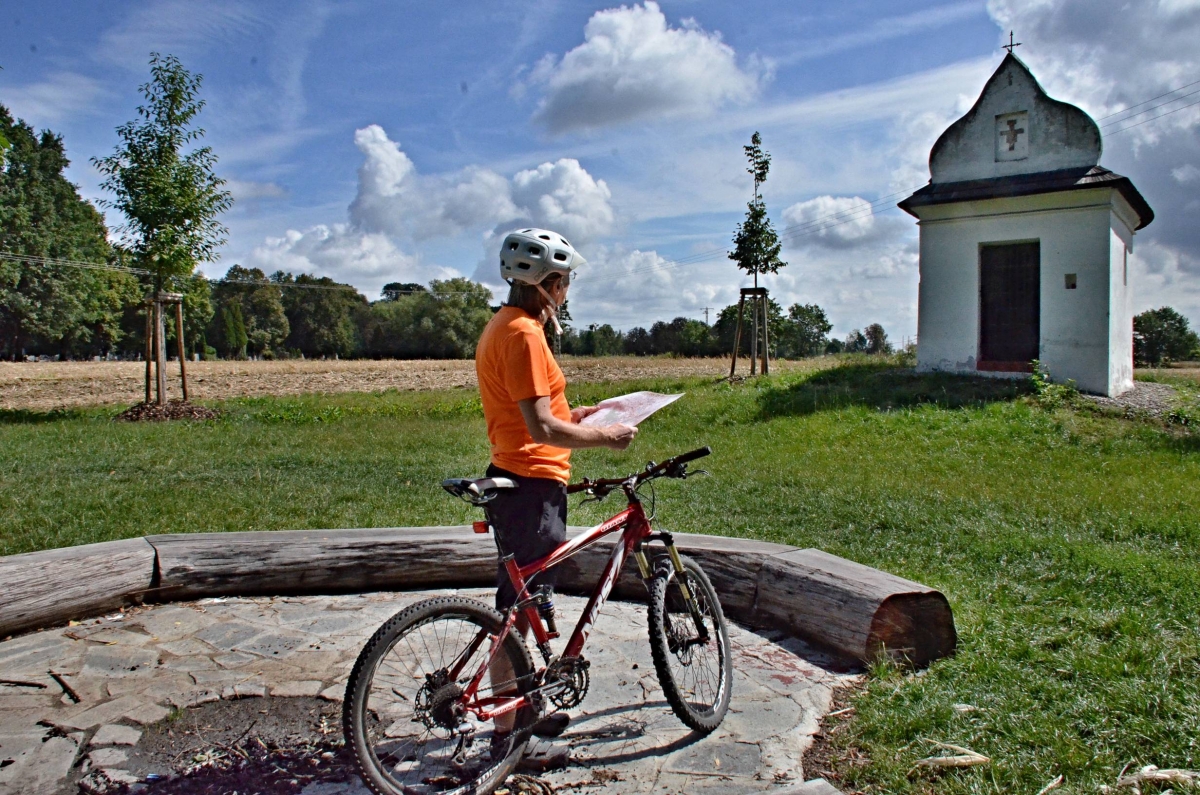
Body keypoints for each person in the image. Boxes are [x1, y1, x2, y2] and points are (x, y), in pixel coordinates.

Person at [475, 228, 637, 767]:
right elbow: (541, 428)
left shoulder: (507, 325)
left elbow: (535, 409)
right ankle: (506, 740)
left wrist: (580, 415)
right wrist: (607, 437)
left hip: (519, 474)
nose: (567, 290)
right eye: (564, 281)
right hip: (531, 484)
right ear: (547, 284)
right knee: (515, 615)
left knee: (523, 606)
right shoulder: (522, 332)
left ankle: (523, 710)